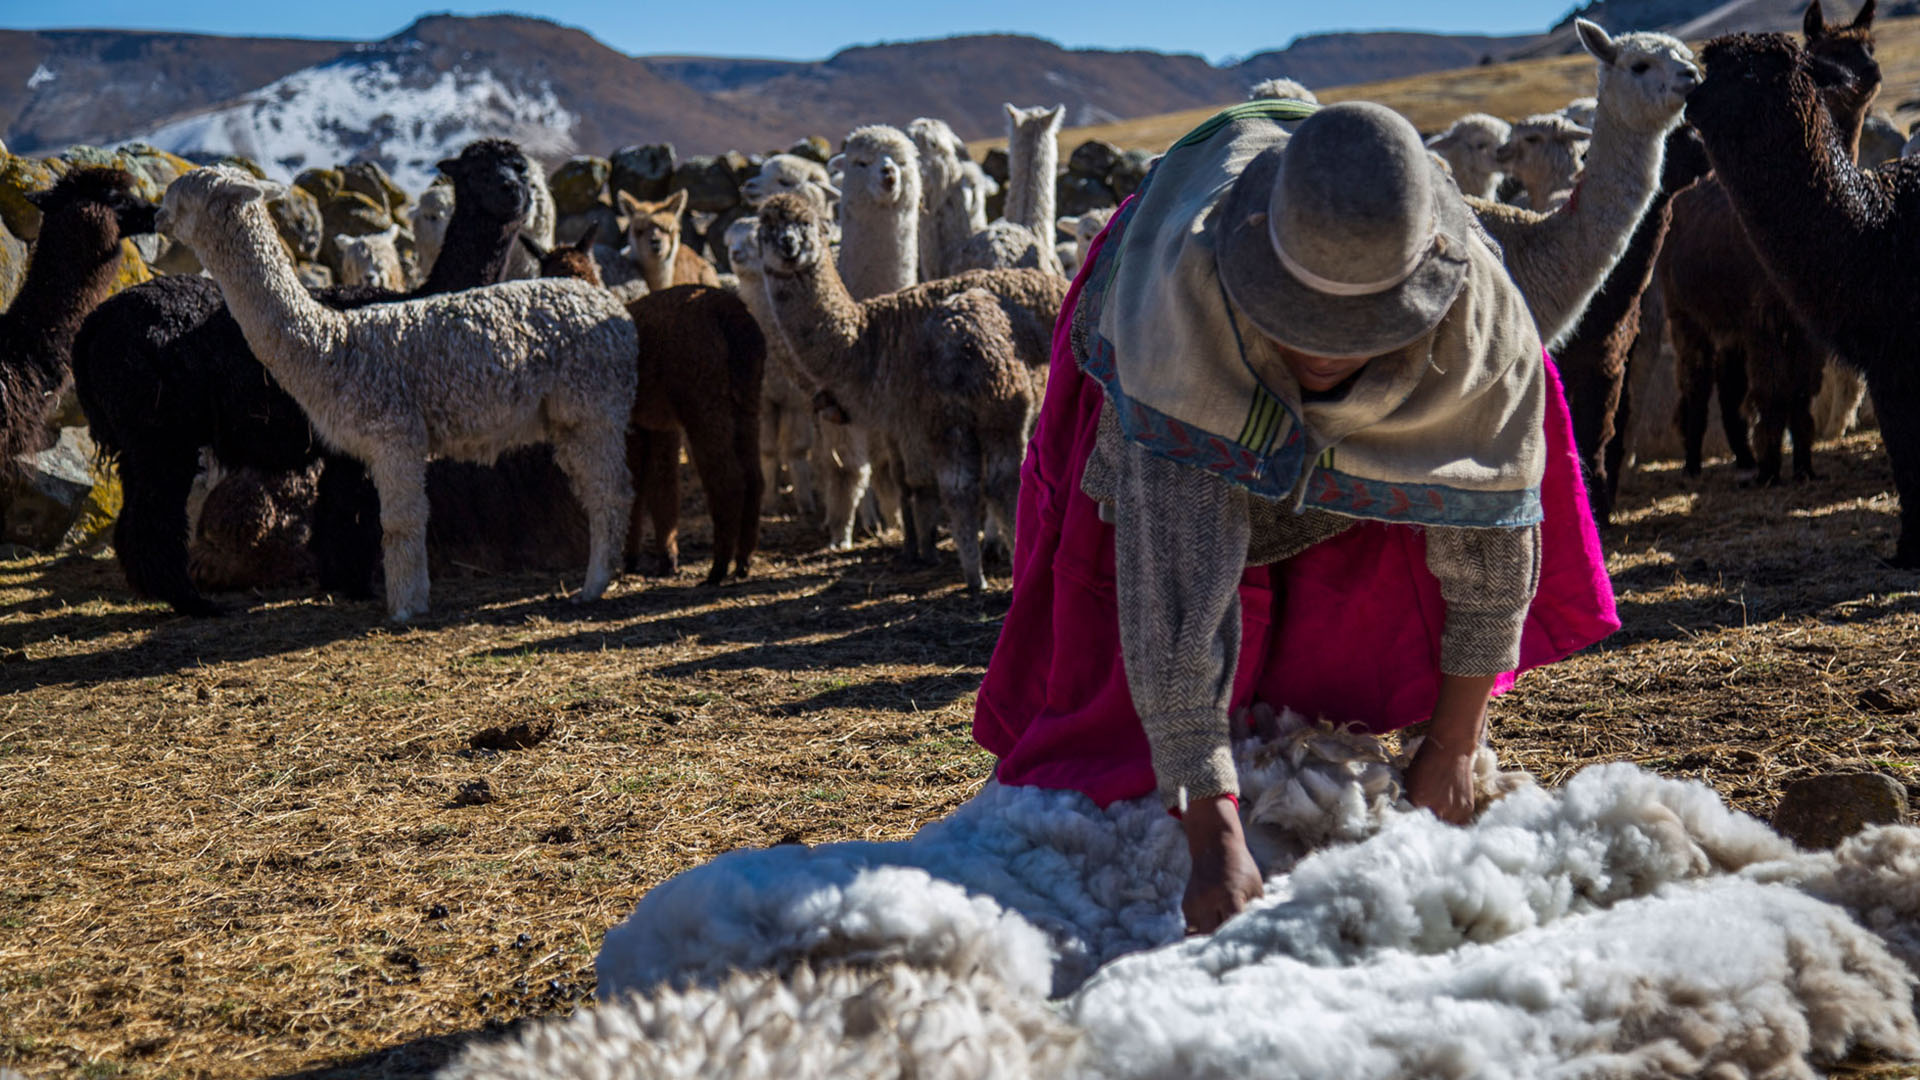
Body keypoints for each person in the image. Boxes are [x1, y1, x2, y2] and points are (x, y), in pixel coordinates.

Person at [973, 99, 1619, 934]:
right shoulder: (1179, 309)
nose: (1322, 349)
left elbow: (1489, 528)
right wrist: (1212, 832)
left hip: (1406, 373)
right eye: (1302, 320)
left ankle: (1305, 694)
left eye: (1353, 329)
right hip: (1186, 335)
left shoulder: (1482, 334)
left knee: (1372, 546)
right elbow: (1173, 578)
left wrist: (1457, 744)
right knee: (1134, 691)